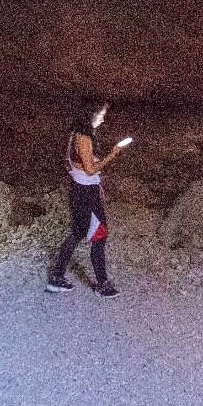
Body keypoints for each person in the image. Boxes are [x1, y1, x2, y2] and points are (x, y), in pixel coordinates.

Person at [48, 100, 129, 295]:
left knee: (78, 232)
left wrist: (96, 184)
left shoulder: (76, 134)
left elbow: (75, 164)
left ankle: (56, 278)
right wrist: (113, 154)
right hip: (85, 193)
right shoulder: (84, 138)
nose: (102, 120)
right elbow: (91, 169)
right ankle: (102, 285)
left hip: (81, 189)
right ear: (90, 115)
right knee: (99, 235)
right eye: (100, 116)